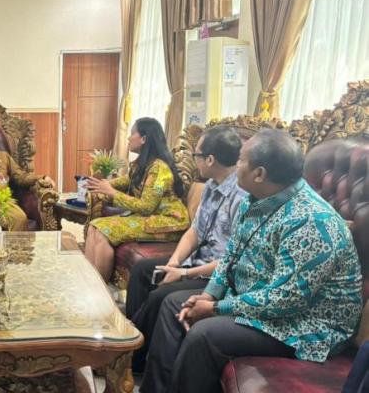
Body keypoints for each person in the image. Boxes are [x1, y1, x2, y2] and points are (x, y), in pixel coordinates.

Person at [141, 129, 362, 393]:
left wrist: (215, 308)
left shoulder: (310, 221)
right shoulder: (254, 200)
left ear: (259, 174)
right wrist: (210, 295)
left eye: (240, 160)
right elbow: (231, 255)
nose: (235, 165)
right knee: (173, 305)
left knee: (204, 335)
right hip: (257, 299)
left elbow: (286, 299)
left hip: (304, 325)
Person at [125, 126, 244, 373]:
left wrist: (184, 273)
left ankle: (129, 356)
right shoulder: (211, 185)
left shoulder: (242, 197)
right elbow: (195, 231)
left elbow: (232, 261)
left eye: (196, 155)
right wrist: (175, 262)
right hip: (197, 260)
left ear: (210, 160)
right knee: (143, 270)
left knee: (161, 295)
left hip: (216, 275)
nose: (194, 160)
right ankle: (134, 345)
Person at [83, 118, 190, 282]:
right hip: (151, 217)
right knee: (94, 226)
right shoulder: (143, 164)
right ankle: (89, 282)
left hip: (167, 221)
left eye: (132, 133)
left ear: (144, 139)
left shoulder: (159, 168)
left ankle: (100, 287)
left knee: (103, 231)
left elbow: (146, 206)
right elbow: (127, 181)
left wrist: (112, 193)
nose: (128, 137)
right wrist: (101, 184)